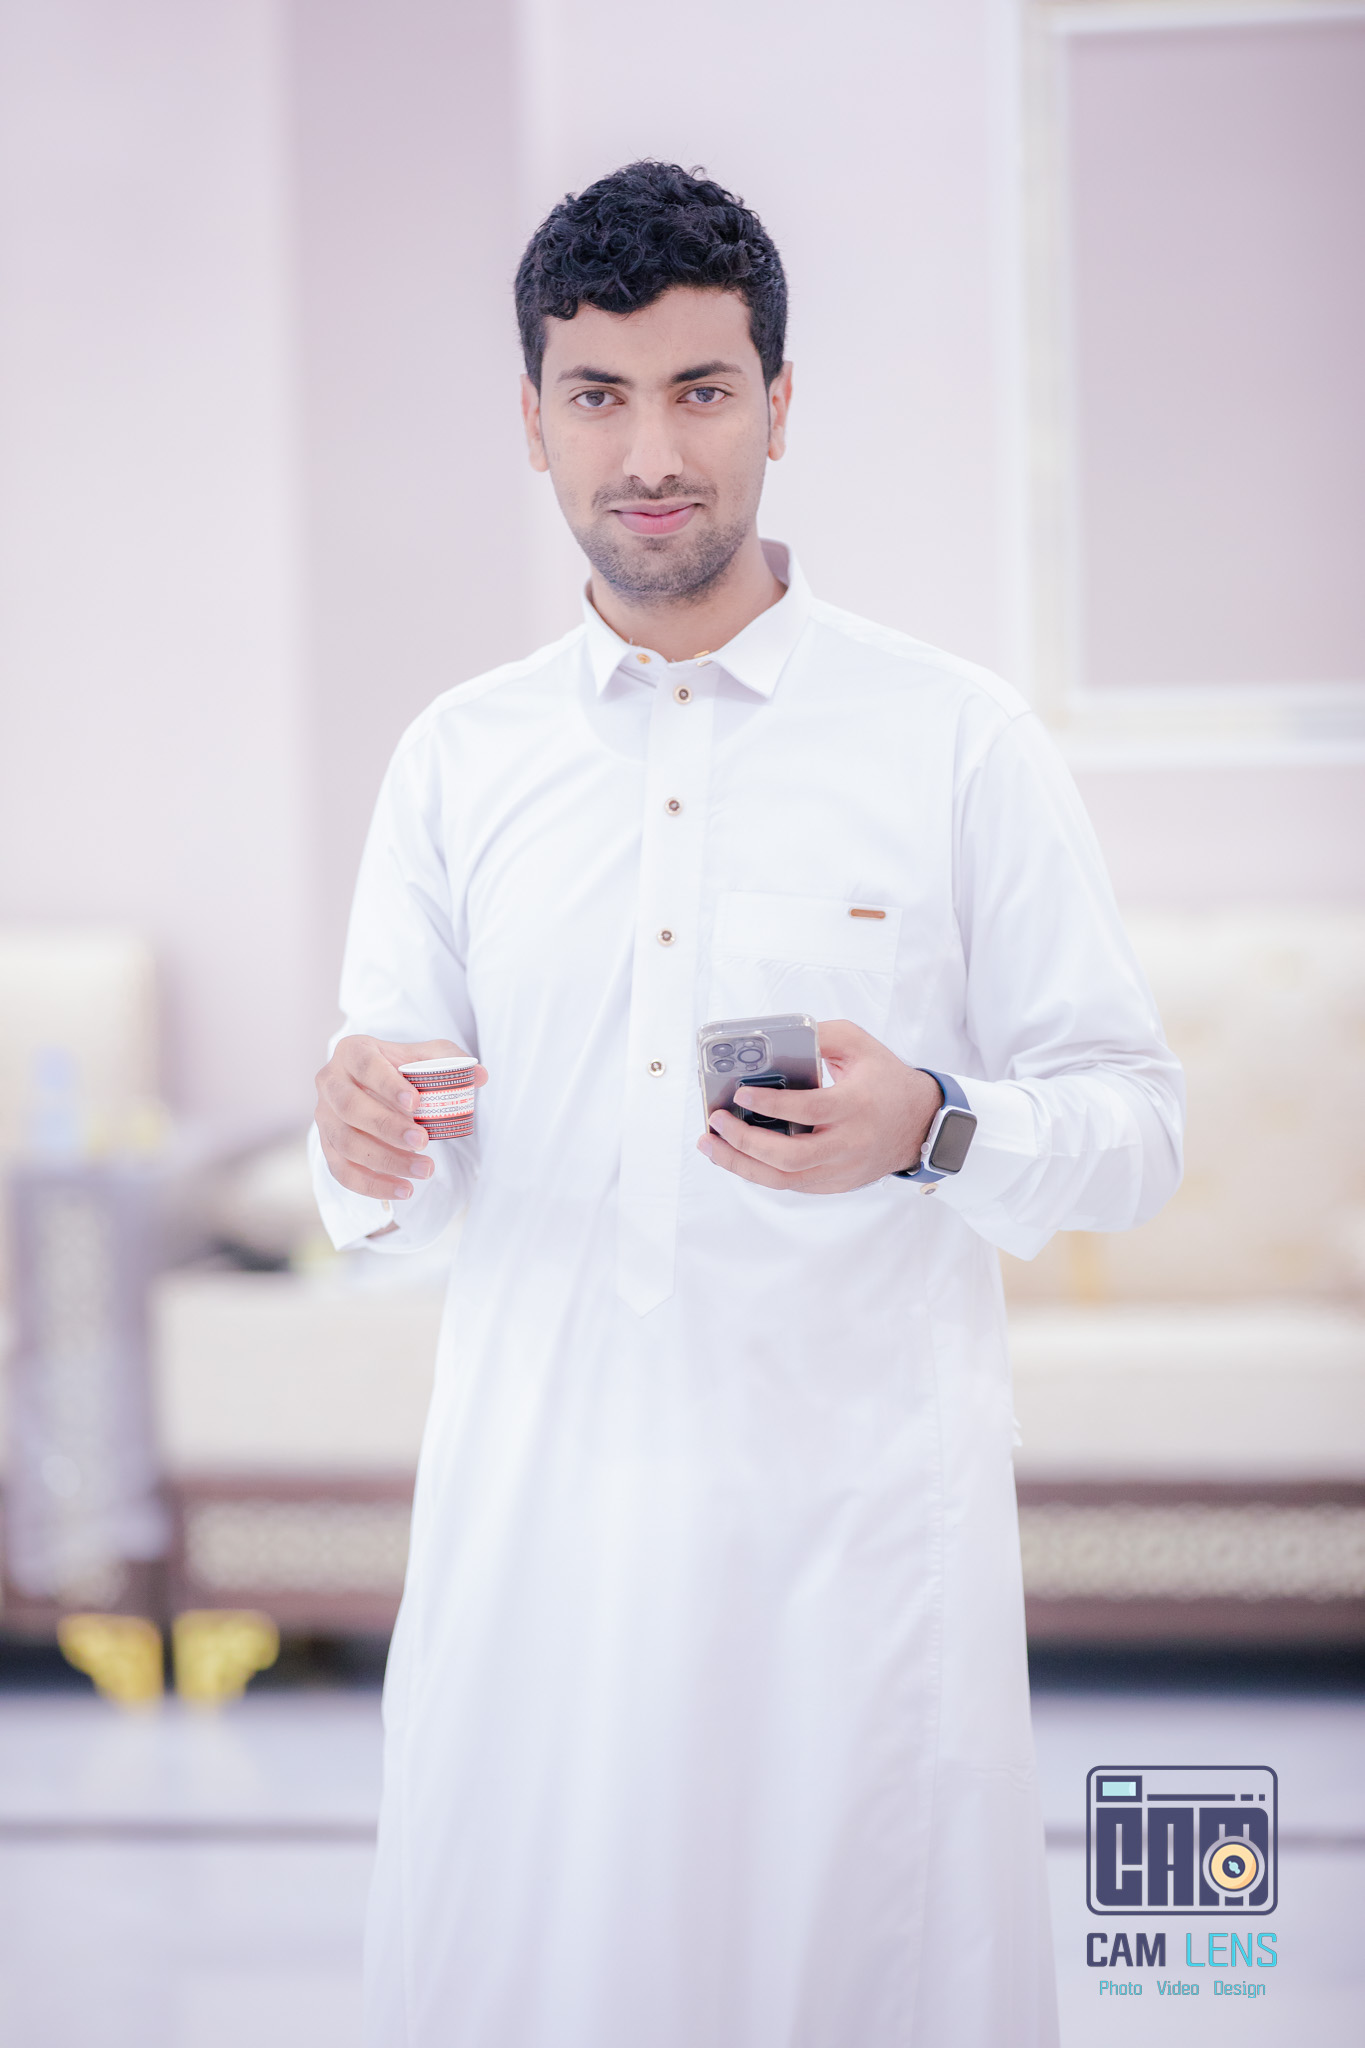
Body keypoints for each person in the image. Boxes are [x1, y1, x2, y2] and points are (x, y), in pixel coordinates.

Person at [311, 160, 1183, 2048]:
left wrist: (933, 1123)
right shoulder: (457, 761)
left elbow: (1135, 1124)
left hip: (849, 1566)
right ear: (531, 419)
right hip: (536, 1552)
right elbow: (396, 1165)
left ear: (779, 405)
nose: (651, 453)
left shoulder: (952, 737)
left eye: (700, 390)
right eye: (598, 395)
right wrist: (359, 1137)